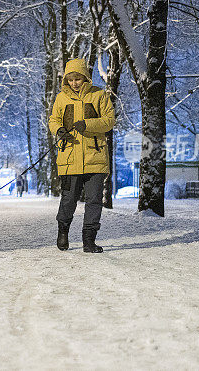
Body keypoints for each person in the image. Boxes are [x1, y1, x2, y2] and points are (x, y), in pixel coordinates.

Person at [48, 58, 116, 253]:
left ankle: (89, 240)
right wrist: (60, 130)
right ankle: (63, 231)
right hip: (69, 158)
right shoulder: (62, 98)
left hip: (95, 158)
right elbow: (53, 120)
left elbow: (109, 121)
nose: (74, 83)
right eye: (70, 79)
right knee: (68, 200)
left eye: (78, 78)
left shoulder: (99, 95)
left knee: (94, 200)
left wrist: (88, 124)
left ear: (85, 77)